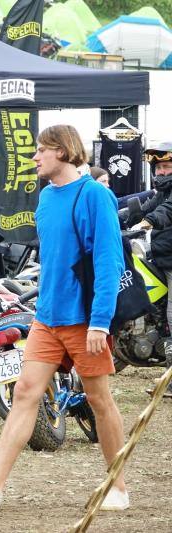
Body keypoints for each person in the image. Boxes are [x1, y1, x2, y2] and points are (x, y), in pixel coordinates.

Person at [0, 125, 129, 511]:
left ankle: (119, 487)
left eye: (42, 150)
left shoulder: (95, 195)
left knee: (98, 399)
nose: (36, 157)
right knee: (25, 392)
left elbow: (110, 260)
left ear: (62, 151)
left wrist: (99, 321)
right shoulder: (45, 199)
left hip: (82, 320)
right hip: (48, 317)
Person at [128, 142, 172, 398]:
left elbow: (164, 212)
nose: (163, 172)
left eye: (168, 166)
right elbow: (145, 209)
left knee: (171, 315)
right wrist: (117, 218)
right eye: (160, 167)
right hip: (161, 258)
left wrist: (148, 222)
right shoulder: (161, 193)